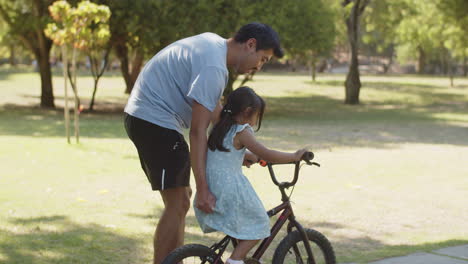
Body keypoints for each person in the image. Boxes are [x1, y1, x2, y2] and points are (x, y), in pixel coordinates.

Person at [123, 22, 284, 264]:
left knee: (180, 200)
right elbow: (198, 132)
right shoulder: (214, 67)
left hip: (150, 119)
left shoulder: (213, 46)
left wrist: (238, 151)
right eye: (262, 59)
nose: (259, 67)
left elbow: (215, 114)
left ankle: (173, 260)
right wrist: (204, 188)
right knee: (178, 203)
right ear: (250, 45)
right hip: (154, 121)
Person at [194, 87, 308, 264]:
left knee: (246, 225)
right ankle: (235, 260)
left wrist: (244, 156)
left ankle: (241, 258)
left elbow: (223, 154)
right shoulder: (242, 131)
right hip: (229, 188)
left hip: (212, 186)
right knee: (260, 224)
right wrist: (294, 157)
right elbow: (267, 154)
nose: (255, 122)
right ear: (248, 112)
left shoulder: (219, 127)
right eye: (257, 116)